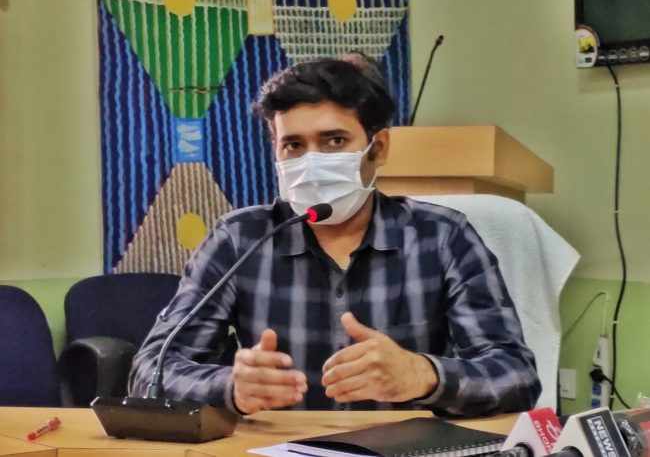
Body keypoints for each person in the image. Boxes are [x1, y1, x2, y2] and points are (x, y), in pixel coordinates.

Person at [129, 53, 541, 417]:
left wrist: (424, 375)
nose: (311, 163)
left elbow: (517, 376)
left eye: (334, 140)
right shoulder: (239, 239)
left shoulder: (444, 237)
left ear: (379, 147)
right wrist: (230, 388)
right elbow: (149, 373)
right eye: (293, 145)